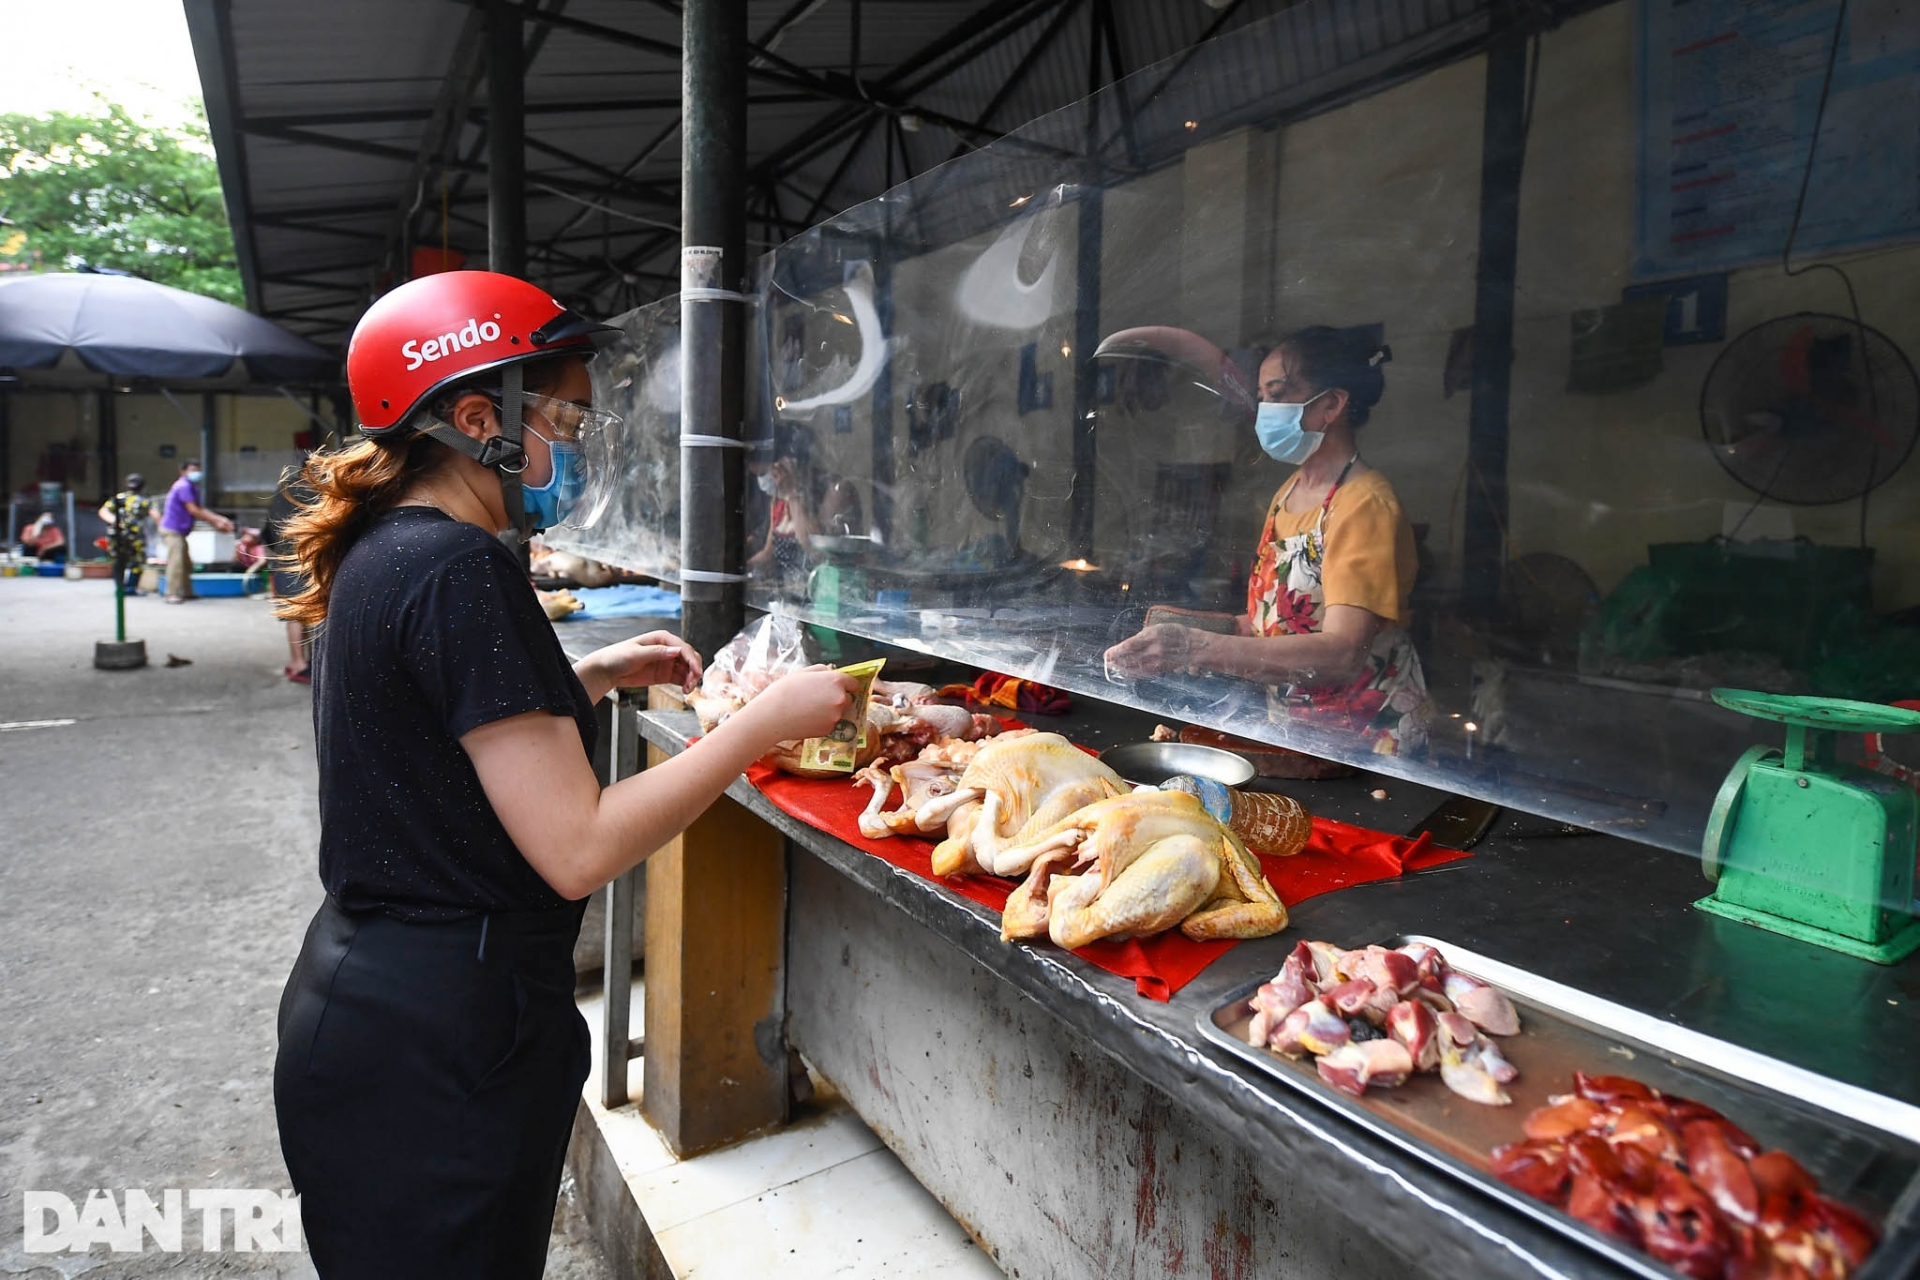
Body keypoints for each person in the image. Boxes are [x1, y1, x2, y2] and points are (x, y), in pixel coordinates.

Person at [271, 270, 855, 1278]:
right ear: (473, 417)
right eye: (565, 417)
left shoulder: (389, 551)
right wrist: (757, 725)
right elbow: (577, 847)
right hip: (444, 1038)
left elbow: (427, 742)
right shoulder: (462, 569)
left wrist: (581, 676)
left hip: (371, 998)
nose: (577, 446)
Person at [1106, 325, 1431, 755]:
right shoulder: (1288, 494)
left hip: (1368, 739)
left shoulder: (1364, 504)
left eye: (1277, 395)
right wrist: (1181, 632)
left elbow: (1343, 652)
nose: (1264, 411)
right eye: (1261, 397)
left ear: (1332, 404)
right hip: (1300, 733)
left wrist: (1196, 646)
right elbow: (1274, 624)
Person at [263, 467, 314, 684]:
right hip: (311, 558)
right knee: (311, 612)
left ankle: (298, 662)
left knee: (295, 614)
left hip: (285, 559)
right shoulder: (318, 492)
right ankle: (308, 662)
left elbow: (267, 532)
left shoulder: (282, 493)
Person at [158, 459, 234, 604]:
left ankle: (187, 592)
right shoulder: (183, 486)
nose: (196, 473)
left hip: (179, 530)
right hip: (172, 529)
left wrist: (218, 519)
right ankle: (171, 593)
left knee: (186, 563)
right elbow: (193, 510)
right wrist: (217, 521)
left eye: (198, 470)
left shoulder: (192, 487)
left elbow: (199, 509)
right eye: (193, 470)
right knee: (176, 562)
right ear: (183, 471)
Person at [98, 473, 153, 595]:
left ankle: (119, 588)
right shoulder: (145, 500)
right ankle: (131, 588)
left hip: (116, 535)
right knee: (137, 560)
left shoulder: (119, 498)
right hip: (135, 536)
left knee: (118, 561)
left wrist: (115, 522)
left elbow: (103, 511)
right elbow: (154, 514)